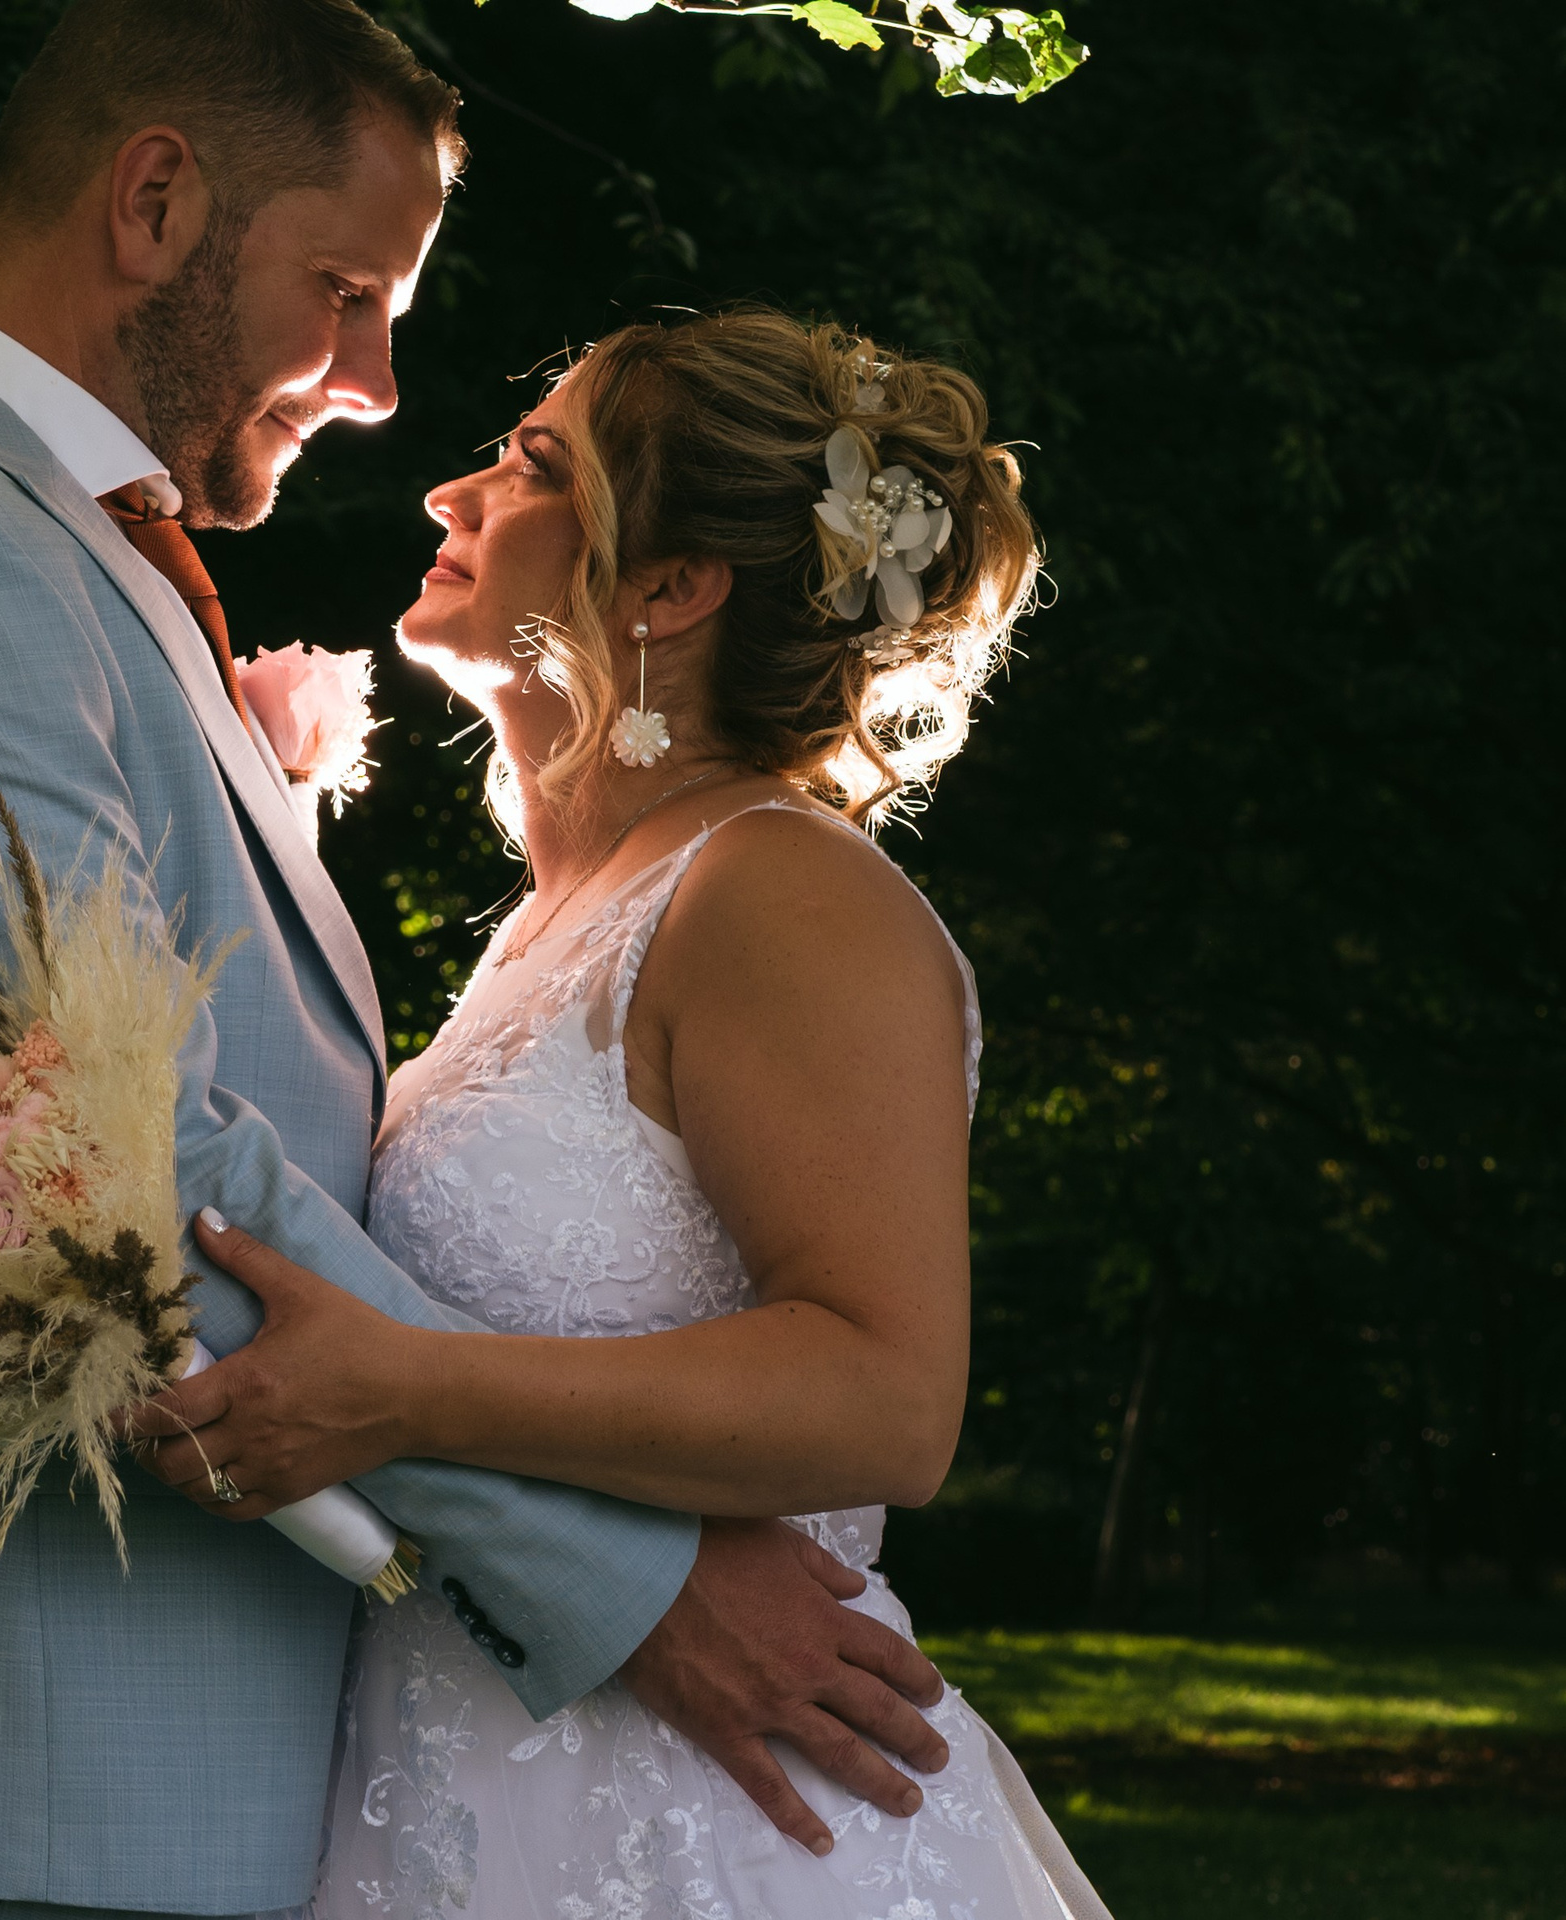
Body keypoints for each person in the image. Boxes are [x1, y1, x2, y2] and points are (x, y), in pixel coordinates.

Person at [0, 6, 948, 1917]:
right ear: (155, 201)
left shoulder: (52, 556)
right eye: (347, 289)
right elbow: (126, 1165)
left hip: (170, 1786)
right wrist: (632, 1577)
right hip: (18, 1780)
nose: (381, 385)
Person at [137, 310, 1114, 1918]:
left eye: (531, 466)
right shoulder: (556, 920)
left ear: (669, 588)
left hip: (719, 1822)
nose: (451, 494)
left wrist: (414, 1391)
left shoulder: (781, 892)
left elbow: (886, 1390)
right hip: (468, 1771)